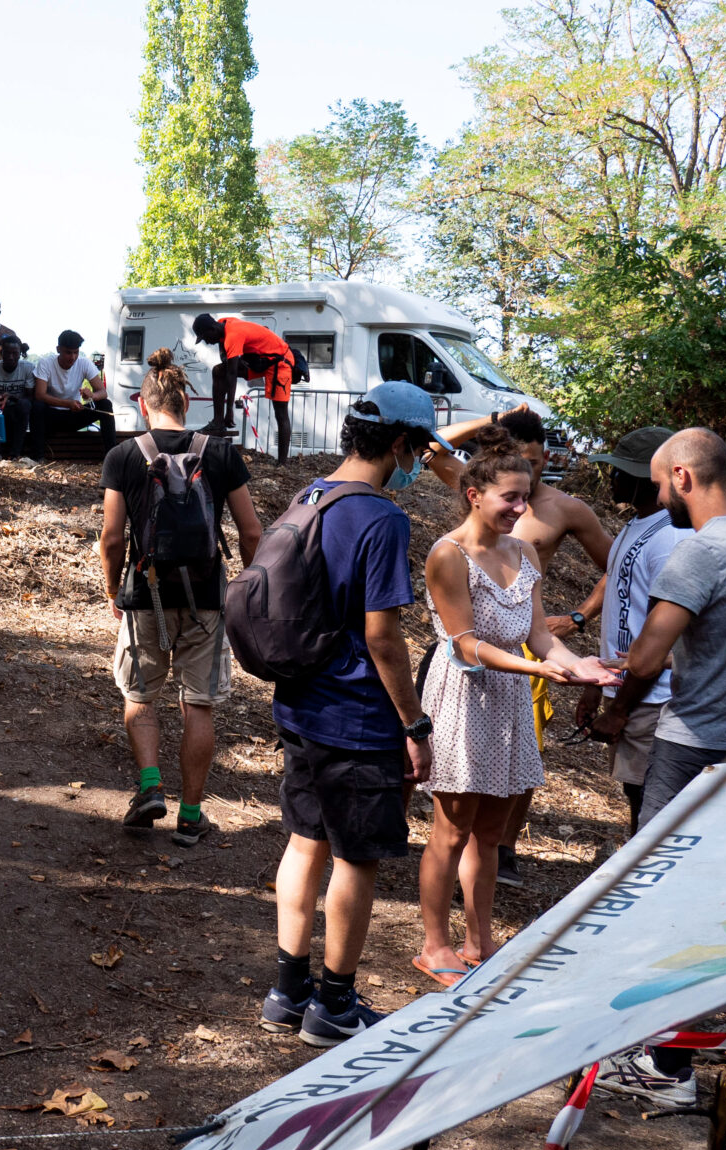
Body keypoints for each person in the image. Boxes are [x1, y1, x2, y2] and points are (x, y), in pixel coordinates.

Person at [593, 426, 726, 1105]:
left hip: (691, 749)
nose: (659, 495)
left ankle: (668, 1066)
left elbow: (649, 658)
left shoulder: (700, 553)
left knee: (664, 895)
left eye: (661, 483)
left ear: (683, 477)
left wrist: (615, 708)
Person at [259, 381, 442, 1048]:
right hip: (358, 717)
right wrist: (415, 725)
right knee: (356, 859)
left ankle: (288, 990)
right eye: (418, 448)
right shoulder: (383, 519)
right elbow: (384, 637)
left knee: (304, 841)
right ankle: (335, 1002)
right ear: (398, 443)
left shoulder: (310, 496)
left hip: (301, 704)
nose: (418, 461)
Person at [412, 428, 617, 988]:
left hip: (509, 701)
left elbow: (538, 635)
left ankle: (482, 944)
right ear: (475, 493)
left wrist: (578, 664)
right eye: (511, 497)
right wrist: (538, 668)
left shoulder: (524, 551)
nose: (522, 508)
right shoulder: (448, 555)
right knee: (451, 832)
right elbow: (466, 645)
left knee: (493, 834)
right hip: (463, 699)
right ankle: (435, 946)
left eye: (526, 496)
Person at [103, 349, 262, 847]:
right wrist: (247, 585)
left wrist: (113, 589)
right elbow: (251, 530)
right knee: (199, 704)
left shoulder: (124, 455)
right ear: (187, 401)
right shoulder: (218, 453)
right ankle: (191, 815)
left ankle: (150, 786)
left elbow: (111, 537)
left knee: (139, 693)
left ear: (143, 405)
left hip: (145, 592)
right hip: (207, 598)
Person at [572, 426, 684, 833]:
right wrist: (596, 685)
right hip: (626, 689)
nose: (612, 478)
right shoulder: (634, 526)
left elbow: (662, 636)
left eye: (622, 471)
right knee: (635, 796)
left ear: (650, 479)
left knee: (651, 805)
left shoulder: (673, 539)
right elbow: (624, 612)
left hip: (651, 699)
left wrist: (620, 709)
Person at [190, 312, 292, 446]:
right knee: (218, 371)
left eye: (205, 338)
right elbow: (226, 362)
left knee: (280, 413)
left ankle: (282, 464)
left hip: (280, 362)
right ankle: (218, 422)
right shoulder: (222, 322)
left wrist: (230, 411)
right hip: (261, 362)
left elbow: (232, 374)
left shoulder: (232, 336)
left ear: (213, 329)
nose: (207, 342)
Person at [28, 330, 115, 460]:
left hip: (74, 415)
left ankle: (112, 457)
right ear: (58, 349)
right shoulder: (46, 363)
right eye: (68, 352)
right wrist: (67, 404)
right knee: (37, 406)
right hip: (51, 417)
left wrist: (91, 395)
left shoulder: (84, 363)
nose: (73, 357)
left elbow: (103, 392)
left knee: (105, 405)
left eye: (76, 352)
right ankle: (38, 457)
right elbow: (40, 395)